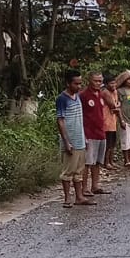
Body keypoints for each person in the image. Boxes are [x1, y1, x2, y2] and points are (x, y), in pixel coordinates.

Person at [55, 70, 90, 207]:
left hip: (80, 137)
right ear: (68, 83)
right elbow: (60, 121)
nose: (79, 86)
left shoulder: (77, 97)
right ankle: (67, 198)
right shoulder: (62, 99)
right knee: (68, 171)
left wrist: (84, 137)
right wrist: (66, 141)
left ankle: (79, 196)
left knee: (78, 170)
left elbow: (80, 119)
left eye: (80, 83)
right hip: (70, 139)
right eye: (76, 83)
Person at [80, 72, 111, 198]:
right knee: (88, 163)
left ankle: (95, 185)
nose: (98, 83)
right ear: (89, 80)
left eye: (100, 81)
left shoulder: (101, 94)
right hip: (89, 132)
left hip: (100, 132)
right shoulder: (83, 95)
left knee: (98, 161)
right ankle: (84, 188)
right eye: (96, 81)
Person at [112, 71, 130, 170]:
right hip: (125, 118)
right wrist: (121, 119)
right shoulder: (120, 91)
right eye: (128, 79)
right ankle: (126, 159)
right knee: (125, 141)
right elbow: (118, 106)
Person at [101, 73, 122, 169]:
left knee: (112, 143)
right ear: (106, 84)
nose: (113, 85)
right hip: (106, 121)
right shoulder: (105, 92)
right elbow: (114, 105)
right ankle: (106, 162)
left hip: (113, 120)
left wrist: (117, 105)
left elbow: (117, 105)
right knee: (108, 144)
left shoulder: (115, 91)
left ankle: (111, 161)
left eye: (114, 83)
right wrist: (117, 105)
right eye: (111, 83)